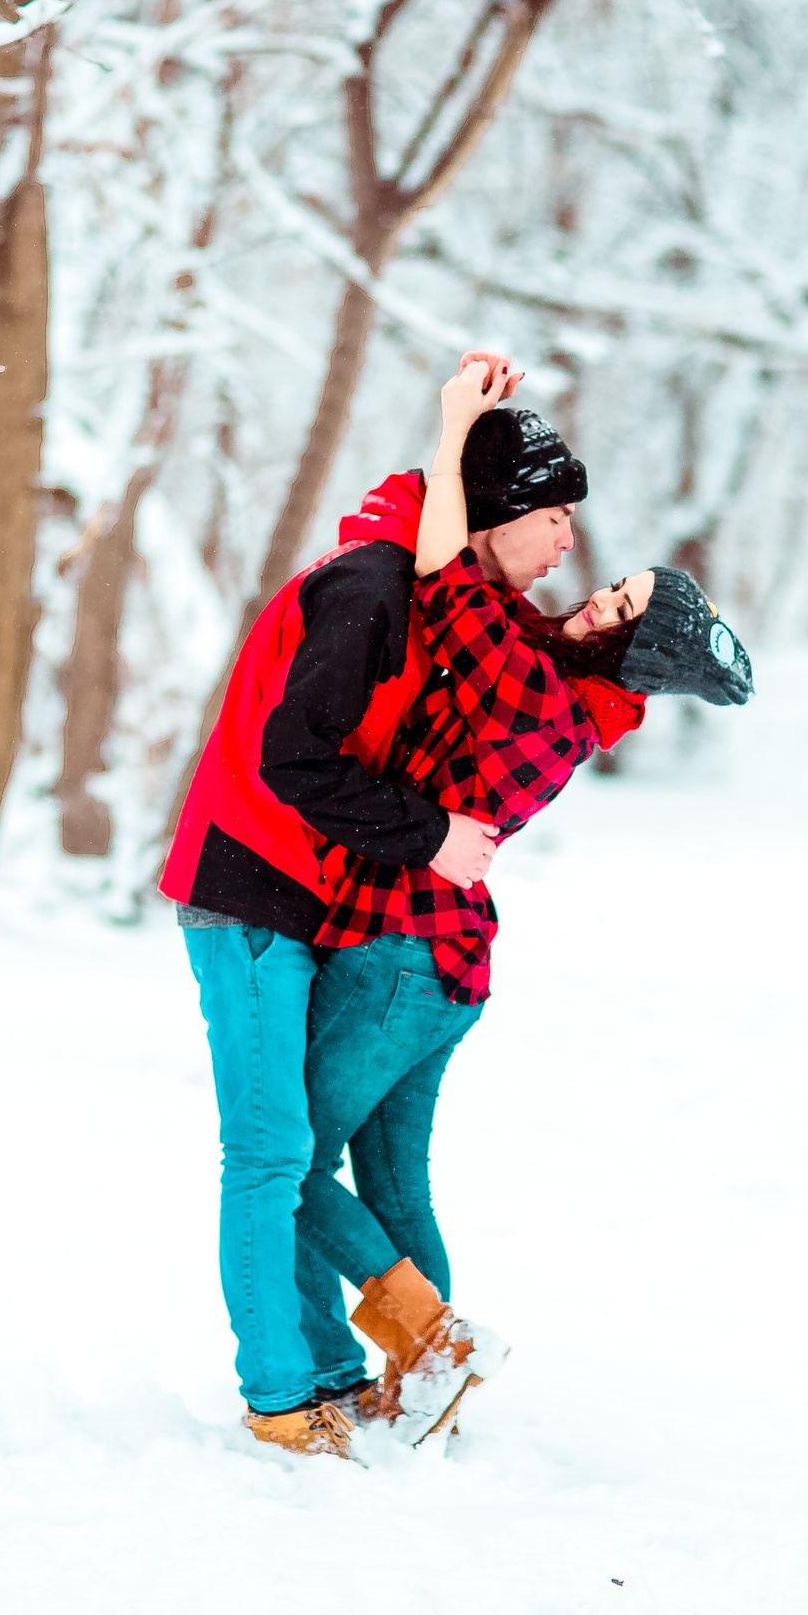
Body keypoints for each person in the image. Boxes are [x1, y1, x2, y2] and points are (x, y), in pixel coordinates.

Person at [292, 352, 755, 1449]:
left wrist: (455, 428)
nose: (594, 586)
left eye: (622, 600)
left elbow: (444, 572)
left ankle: (432, 1343)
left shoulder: (533, 687)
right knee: (396, 1184)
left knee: (289, 1164)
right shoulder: (572, 695)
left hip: (398, 954)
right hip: (442, 968)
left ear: (634, 643)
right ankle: (431, 1395)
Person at [156, 357, 589, 1459]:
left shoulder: (433, 590)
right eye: (555, 517)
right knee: (268, 1153)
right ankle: (282, 1399)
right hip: (249, 887)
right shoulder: (367, 590)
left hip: (316, 896)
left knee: (297, 1147)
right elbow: (288, 759)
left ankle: (345, 1370)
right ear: (493, 518)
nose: (568, 544)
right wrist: (434, 836)